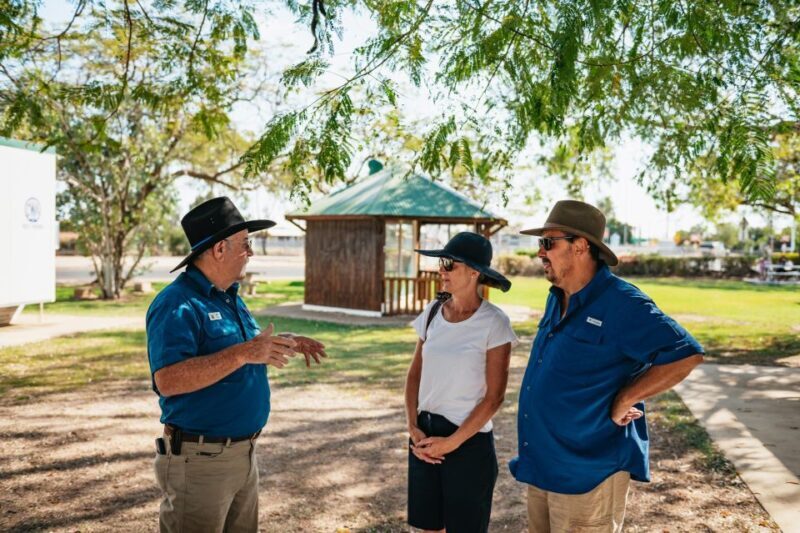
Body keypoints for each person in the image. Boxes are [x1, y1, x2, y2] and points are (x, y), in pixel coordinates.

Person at [511, 200, 704, 532]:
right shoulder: (556, 296)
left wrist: (625, 398)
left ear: (581, 246)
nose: (540, 253)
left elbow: (686, 353)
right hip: (543, 463)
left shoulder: (622, 303)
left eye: (548, 243)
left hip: (588, 472)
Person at [146, 197, 327, 533]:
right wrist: (245, 353)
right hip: (200, 463)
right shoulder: (176, 303)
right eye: (246, 244)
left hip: (243, 457)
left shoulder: (230, 296)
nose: (251, 253)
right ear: (219, 249)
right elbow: (168, 379)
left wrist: (281, 341)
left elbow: (243, 348)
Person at [405, 232, 519, 533]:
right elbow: (414, 373)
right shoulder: (431, 313)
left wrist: (450, 444)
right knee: (429, 528)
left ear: (474, 272)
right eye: (441, 263)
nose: (441, 270)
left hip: (467, 443)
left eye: (449, 264)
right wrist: (412, 427)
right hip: (424, 436)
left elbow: (494, 398)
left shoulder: (495, 323)